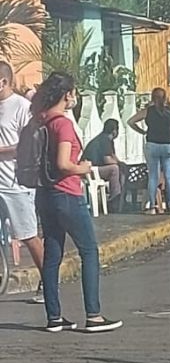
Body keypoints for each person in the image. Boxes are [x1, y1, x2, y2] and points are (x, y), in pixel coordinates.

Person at [31, 72, 122, 332]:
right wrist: (82, 168)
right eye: (74, 92)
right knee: (89, 251)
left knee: (52, 255)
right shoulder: (63, 124)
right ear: (67, 95)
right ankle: (93, 315)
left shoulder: (41, 120)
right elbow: (63, 164)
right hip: (67, 193)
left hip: (45, 194)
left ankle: (54, 317)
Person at [0, 61, 44, 303]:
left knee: (28, 235)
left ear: (3, 82)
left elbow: (27, 146)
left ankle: (48, 283)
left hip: (15, 184)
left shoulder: (22, 107)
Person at [128, 88, 170, 215]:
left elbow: (130, 121)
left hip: (152, 144)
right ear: (165, 97)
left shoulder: (148, 111)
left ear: (152, 98)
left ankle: (152, 206)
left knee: (153, 177)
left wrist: (142, 132)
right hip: (169, 145)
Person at [82, 119, 127, 212]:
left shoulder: (108, 140)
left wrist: (121, 163)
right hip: (90, 170)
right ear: (114, 130)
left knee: (120, 168)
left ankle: (120, 199)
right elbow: (107, 160)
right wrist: (118, 164)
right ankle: (114, 199)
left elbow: (113, 156)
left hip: (96, 169)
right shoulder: (104, 139)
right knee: (114, 169)